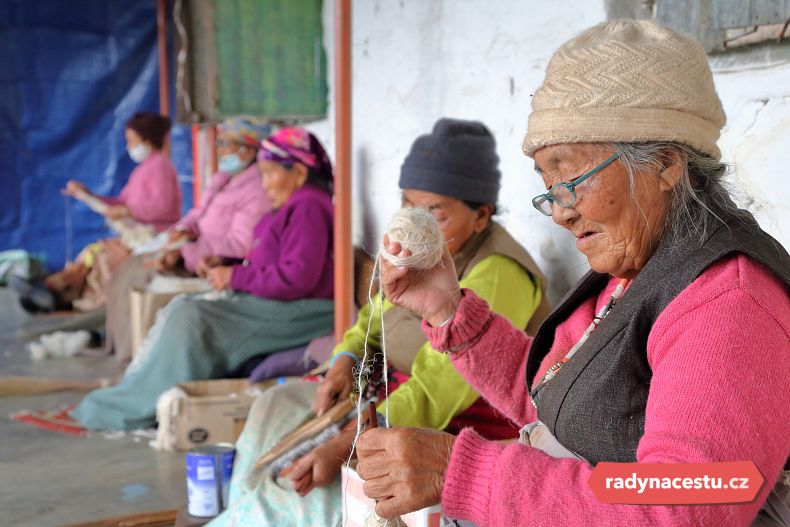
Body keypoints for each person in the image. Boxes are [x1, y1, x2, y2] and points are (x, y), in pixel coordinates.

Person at [357, 20, 790, 527]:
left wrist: (465, 473)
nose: (561, 211)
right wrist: (448, 309)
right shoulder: (638, 268)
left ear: (667, 163)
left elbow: (685, 503)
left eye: (572, 179)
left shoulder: (728, 302)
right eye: (548, 186)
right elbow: (559, 402)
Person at [207, 118, 551, 527]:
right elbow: (372, 318)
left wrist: (345, 445)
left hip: (451, 424)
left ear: (481, 216)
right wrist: (344, 357)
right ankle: (239, 506)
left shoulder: (498, 271)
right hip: (380, 395)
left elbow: (437, 392)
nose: (416, 221)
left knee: (313, 491)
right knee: (274, 408)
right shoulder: (419, 254)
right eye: (408, 204)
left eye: (435, 212)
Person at [70, 127, 335, 431]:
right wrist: (230, 262)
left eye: (269, 173)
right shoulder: (296, 204)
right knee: (184, 308)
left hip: (305, 312)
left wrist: (235, 275)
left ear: (299, 172)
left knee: (192, 318)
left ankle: (140, 405)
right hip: (284, 301)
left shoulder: (309, 206)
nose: (264, 183)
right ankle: (140, 393)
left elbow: (297, 277)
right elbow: (278, 261)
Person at [103, 117, 272, 363]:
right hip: (191, 250)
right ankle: (122, 350)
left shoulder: (257, 188)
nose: (219, 149)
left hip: (208, 263)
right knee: (129, 267)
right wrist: (184, 230)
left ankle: (137, 357)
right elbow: (197, 214)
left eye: (225, 142)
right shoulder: (223, 178)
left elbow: (241, 245)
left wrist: (186, 252)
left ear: (247, 150)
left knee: (140, 276)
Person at [14, 112, 181, 312]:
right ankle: (50, 287)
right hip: (134, 237)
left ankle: (57, 292)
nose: (128, 146)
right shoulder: (142, 171)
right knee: (89, 254)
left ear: (146, 140)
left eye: (131, 141)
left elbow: (162, 207)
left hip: (152, 238)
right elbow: (120, 203)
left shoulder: (161, 168)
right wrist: (88, 195)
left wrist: (128, 210)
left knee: (102, 260)